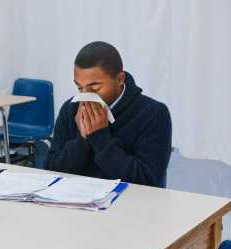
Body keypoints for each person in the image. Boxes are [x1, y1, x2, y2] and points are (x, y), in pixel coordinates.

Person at [44, 41, 172, 187]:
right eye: (80, 88)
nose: (86, 95)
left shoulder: (153, 114)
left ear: (119, 79)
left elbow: (146, 181)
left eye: (95, 87)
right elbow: (51, 170)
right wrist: (82, 141)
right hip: (77, 201)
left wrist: (99, 137)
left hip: (130, 204)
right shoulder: (70, 108)